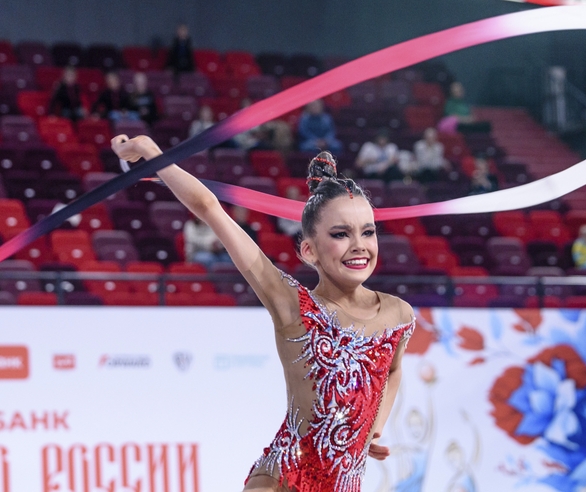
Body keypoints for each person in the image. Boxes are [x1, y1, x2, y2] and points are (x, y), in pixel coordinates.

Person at [111, 134, 415, 492]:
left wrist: (373, 429)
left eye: (368, 231)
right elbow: (210, 208)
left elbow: (392, 370)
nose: (359, 245)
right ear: (309, 250)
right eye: (340, 234)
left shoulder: (398, 315)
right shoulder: (292, 304)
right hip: (283, 479)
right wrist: (151, 153)